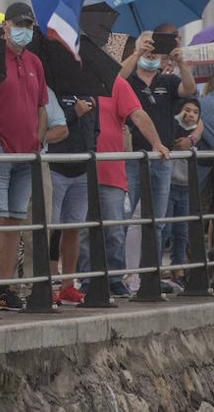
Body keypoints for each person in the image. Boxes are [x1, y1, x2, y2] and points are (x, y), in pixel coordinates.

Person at [0, 2, 48, 310]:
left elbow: (41, 106)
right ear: (5, 26)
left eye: (29, 26)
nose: (24, 31)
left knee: (15, 221)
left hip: (25, 154)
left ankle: (5, 287)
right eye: (19, 25)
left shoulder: (35, 62)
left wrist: (37, 142)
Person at [119, 25, 195, 289]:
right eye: (147, 46)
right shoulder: (130, 81)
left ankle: (151, 272)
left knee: (158, 219)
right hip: (133, 156)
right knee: (126, 218)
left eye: (155, 47)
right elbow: (115, 79)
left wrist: (180, 62)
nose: (152, 51)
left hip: (162, 157)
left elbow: (189, 90)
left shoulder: (168, 81)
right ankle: (125, 274)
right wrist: (137, 51)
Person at [81, 73, 165, 300]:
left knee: (115, 230)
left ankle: (114, 278)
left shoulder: (116, 83)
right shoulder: (75, 80)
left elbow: (137, 114)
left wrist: (156, 142)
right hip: (80, 171)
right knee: (83, 232)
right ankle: (87, 280)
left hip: (111, 170)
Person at [45, 83, 96, 306]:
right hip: (56, 166)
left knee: (73, 227)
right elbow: (49, 124)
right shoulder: (53, 91)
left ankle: (68, 284)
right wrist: (73, 112)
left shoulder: (89, 92)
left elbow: (95, 128)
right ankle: (47, 284)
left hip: (81, 169)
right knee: (50, 228)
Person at [162, 98, 205, 287]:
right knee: (165, 229)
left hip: (186, 186)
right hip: (169, 184)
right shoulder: (172, 127)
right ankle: (154, 270)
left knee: (181, 232)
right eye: (187, 110)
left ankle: (177, 269)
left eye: (195, 112)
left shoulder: (196, 134)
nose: (190, 115)